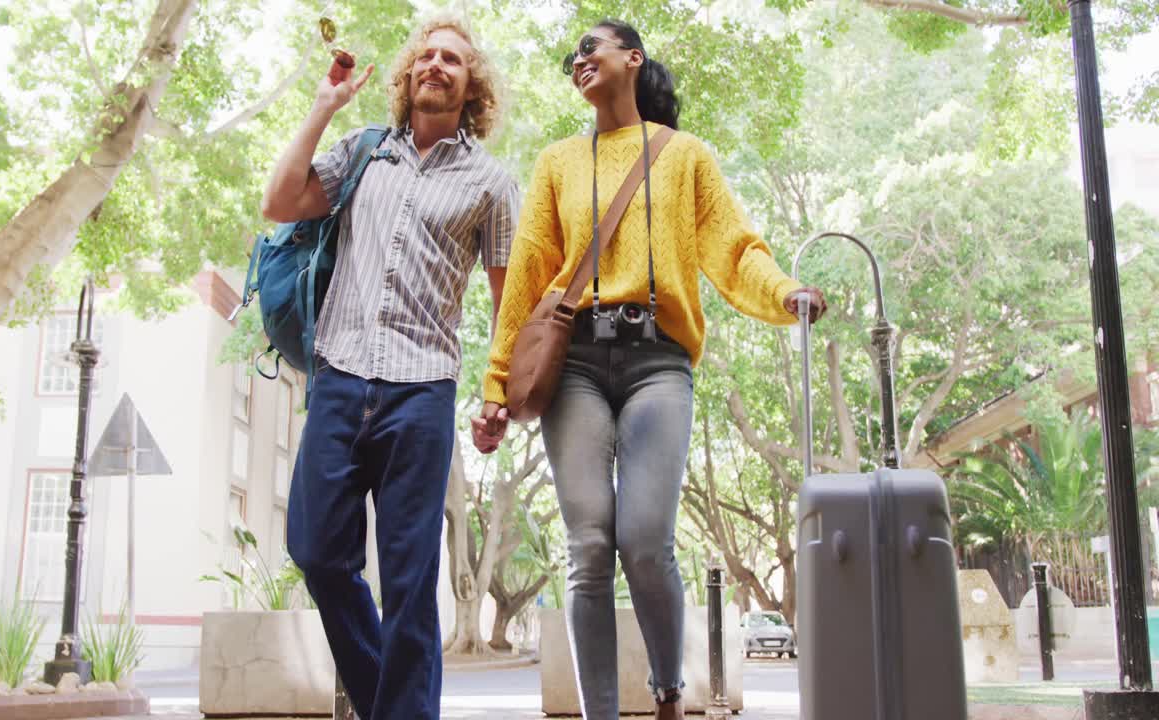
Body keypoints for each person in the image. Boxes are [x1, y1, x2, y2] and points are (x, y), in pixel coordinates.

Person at [472, 19, 826, 720]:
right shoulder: (557, 164)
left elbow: (732, 249)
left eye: (592, 48)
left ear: (632, 59)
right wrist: (495, 388)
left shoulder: (685, 156)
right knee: (590, 543)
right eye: (573, 55)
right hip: (573, 365)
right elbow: (528, 281)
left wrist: (787, 293)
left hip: (659, 363)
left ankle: (666, 694)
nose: (580, 59)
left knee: (642, 537)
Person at [261, 16, 518, 720]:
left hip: (422, 390)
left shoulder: (492, 185)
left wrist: (500, 398)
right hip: (340, 378)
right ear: (408, 77)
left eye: (454, 60)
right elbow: (279, 202)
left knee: (410, 582)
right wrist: (326, 104)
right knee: (315, 551)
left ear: (472, 87)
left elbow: (507, 306)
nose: (436, 65)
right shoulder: (364, 152)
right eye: (426, 56)